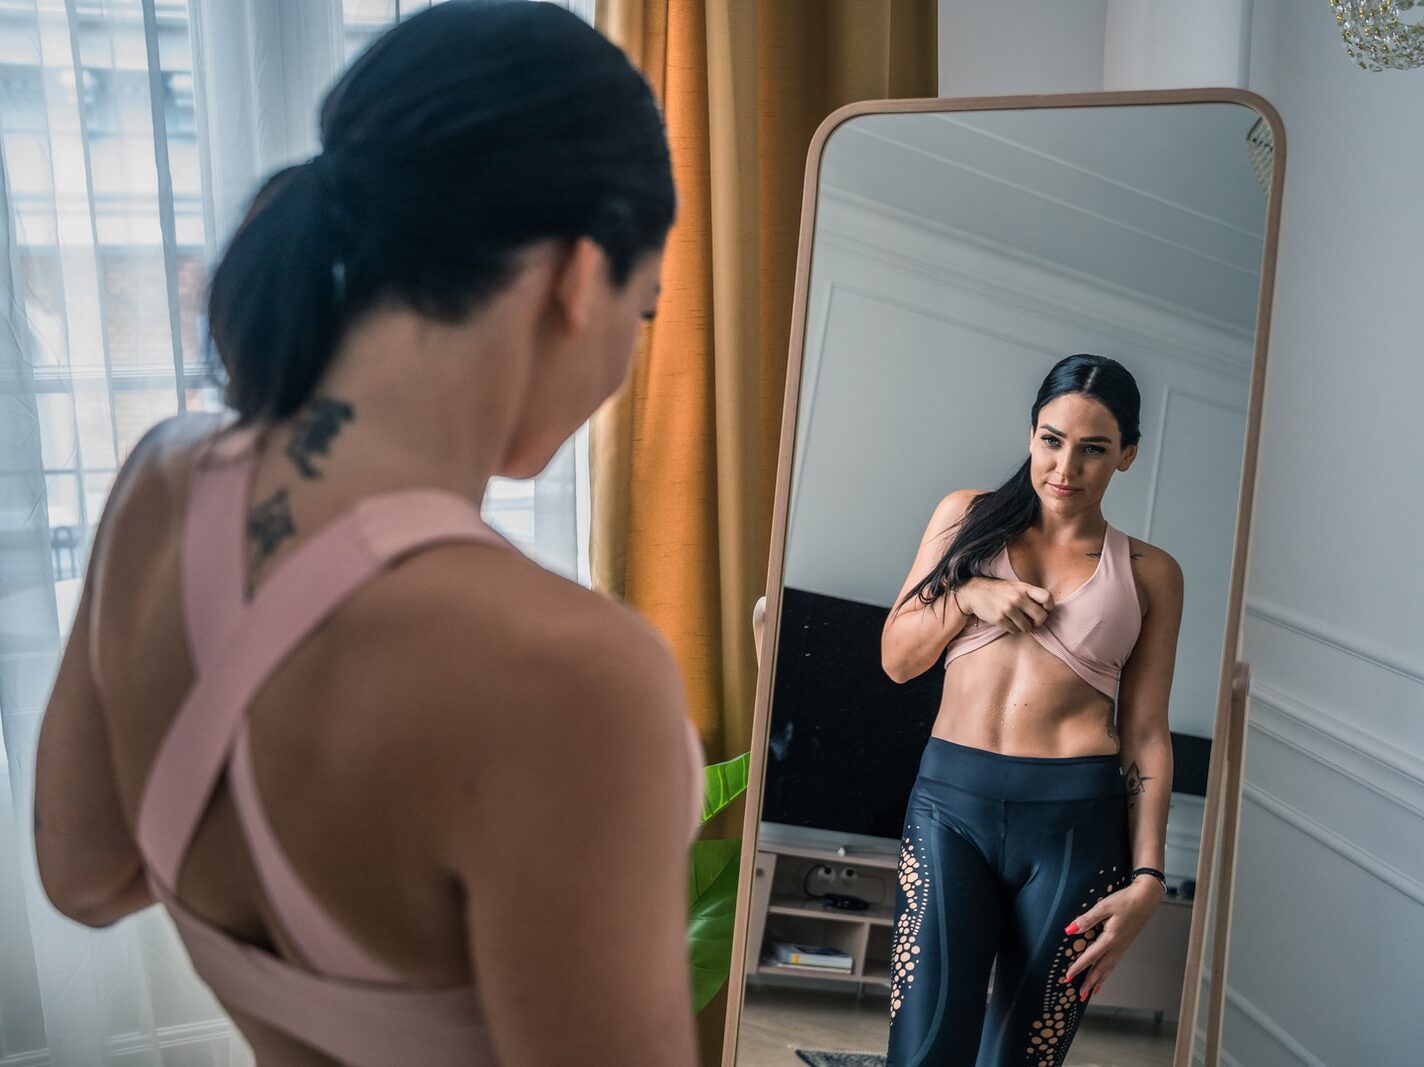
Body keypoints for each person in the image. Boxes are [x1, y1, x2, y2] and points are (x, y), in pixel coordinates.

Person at [31, 3, 703, 1064]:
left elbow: (83, 873)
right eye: (646, 307)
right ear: (578, 278)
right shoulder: (573, 672)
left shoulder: (161, 482)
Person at [880, 353, 1183, 1067]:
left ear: (1128, 455)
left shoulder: (1151, 573)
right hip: (949, 811)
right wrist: (967, 595)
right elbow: (897, 658)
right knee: (921, 1051)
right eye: (1052, 439)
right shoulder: (965, 518)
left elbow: (1145, 734)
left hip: (1076, 828)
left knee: (1025, 1058)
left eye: (1094, 449)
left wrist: (1149, 878)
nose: (1065, 467)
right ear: (1031, 434)